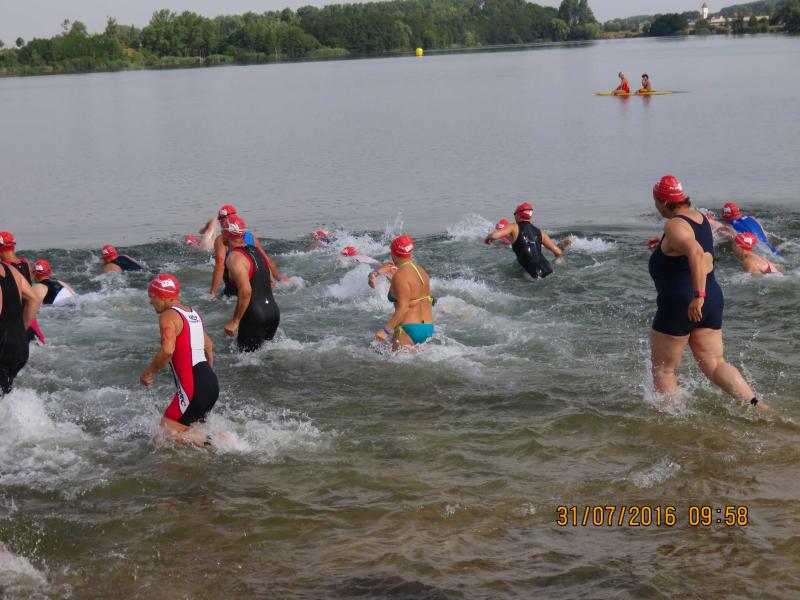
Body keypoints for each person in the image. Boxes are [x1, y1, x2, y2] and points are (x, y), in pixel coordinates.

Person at [647, 175, 767, 410]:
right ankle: (756, 406)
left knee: (664, 370)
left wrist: (697, 296)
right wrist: (663, 243)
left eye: (656, 202)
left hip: (683, 302)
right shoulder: (699, 218)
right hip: (712, 299)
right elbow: (691, 243)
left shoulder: (674, 225)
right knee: (715, 364)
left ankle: (670, 421)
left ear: (664, 202)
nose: (656, 207)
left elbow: (694, 251)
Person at [139, 274, 219, 446]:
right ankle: (217, 444)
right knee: (191, 436)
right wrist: (207, 378)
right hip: (211, 383)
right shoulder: (193, 314)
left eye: (152, 297)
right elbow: (209, 346)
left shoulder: (168, 315)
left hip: (193, 388)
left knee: (162, 435)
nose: (150, 302)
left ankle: (221, 441)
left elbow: (168, 350)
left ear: (163, 296)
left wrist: (148, 373)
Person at [221, 216, 281, 351]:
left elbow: (246, 291)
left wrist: (235, 321)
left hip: (255, 314)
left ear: (227, 234)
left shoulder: (234, 257)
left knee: (244, 360)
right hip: (273, 312)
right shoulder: (256, 251)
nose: (221, 234)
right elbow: (272, 281)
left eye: (222, 231)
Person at [374, 235, 435, 349]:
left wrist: (385, 330)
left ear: (393, 253)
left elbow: (403, 308)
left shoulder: (400, 275)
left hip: (408, 329)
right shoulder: (420, 270)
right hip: (428, 327)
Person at [0, 234, 42, 395]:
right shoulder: (12, 269)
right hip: (20, 344)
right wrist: (20, 330)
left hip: (3, 345)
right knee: (6, 394)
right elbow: (34, 299)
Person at [209, 204, 281, 296]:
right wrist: (280, 279)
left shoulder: (222, 239)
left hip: (238, 290)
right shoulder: (250, 237)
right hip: (262, 287)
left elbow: (220, 264)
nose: (222, 223)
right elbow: (266, 259)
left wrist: (212, 293)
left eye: (222, 220)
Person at [484, 203, 563, 279]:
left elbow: (494, 236)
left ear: (518, 215)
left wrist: (488, 238)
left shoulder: (513, 227)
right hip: (549, 270)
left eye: (514, 214)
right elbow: (558, 252)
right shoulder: (540, 232)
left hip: (535, 275)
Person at [1, 231, 45, 344]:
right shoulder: (26, 263)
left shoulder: (5, 269)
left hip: (14, 317)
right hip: (30, 314)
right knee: (39, 343)